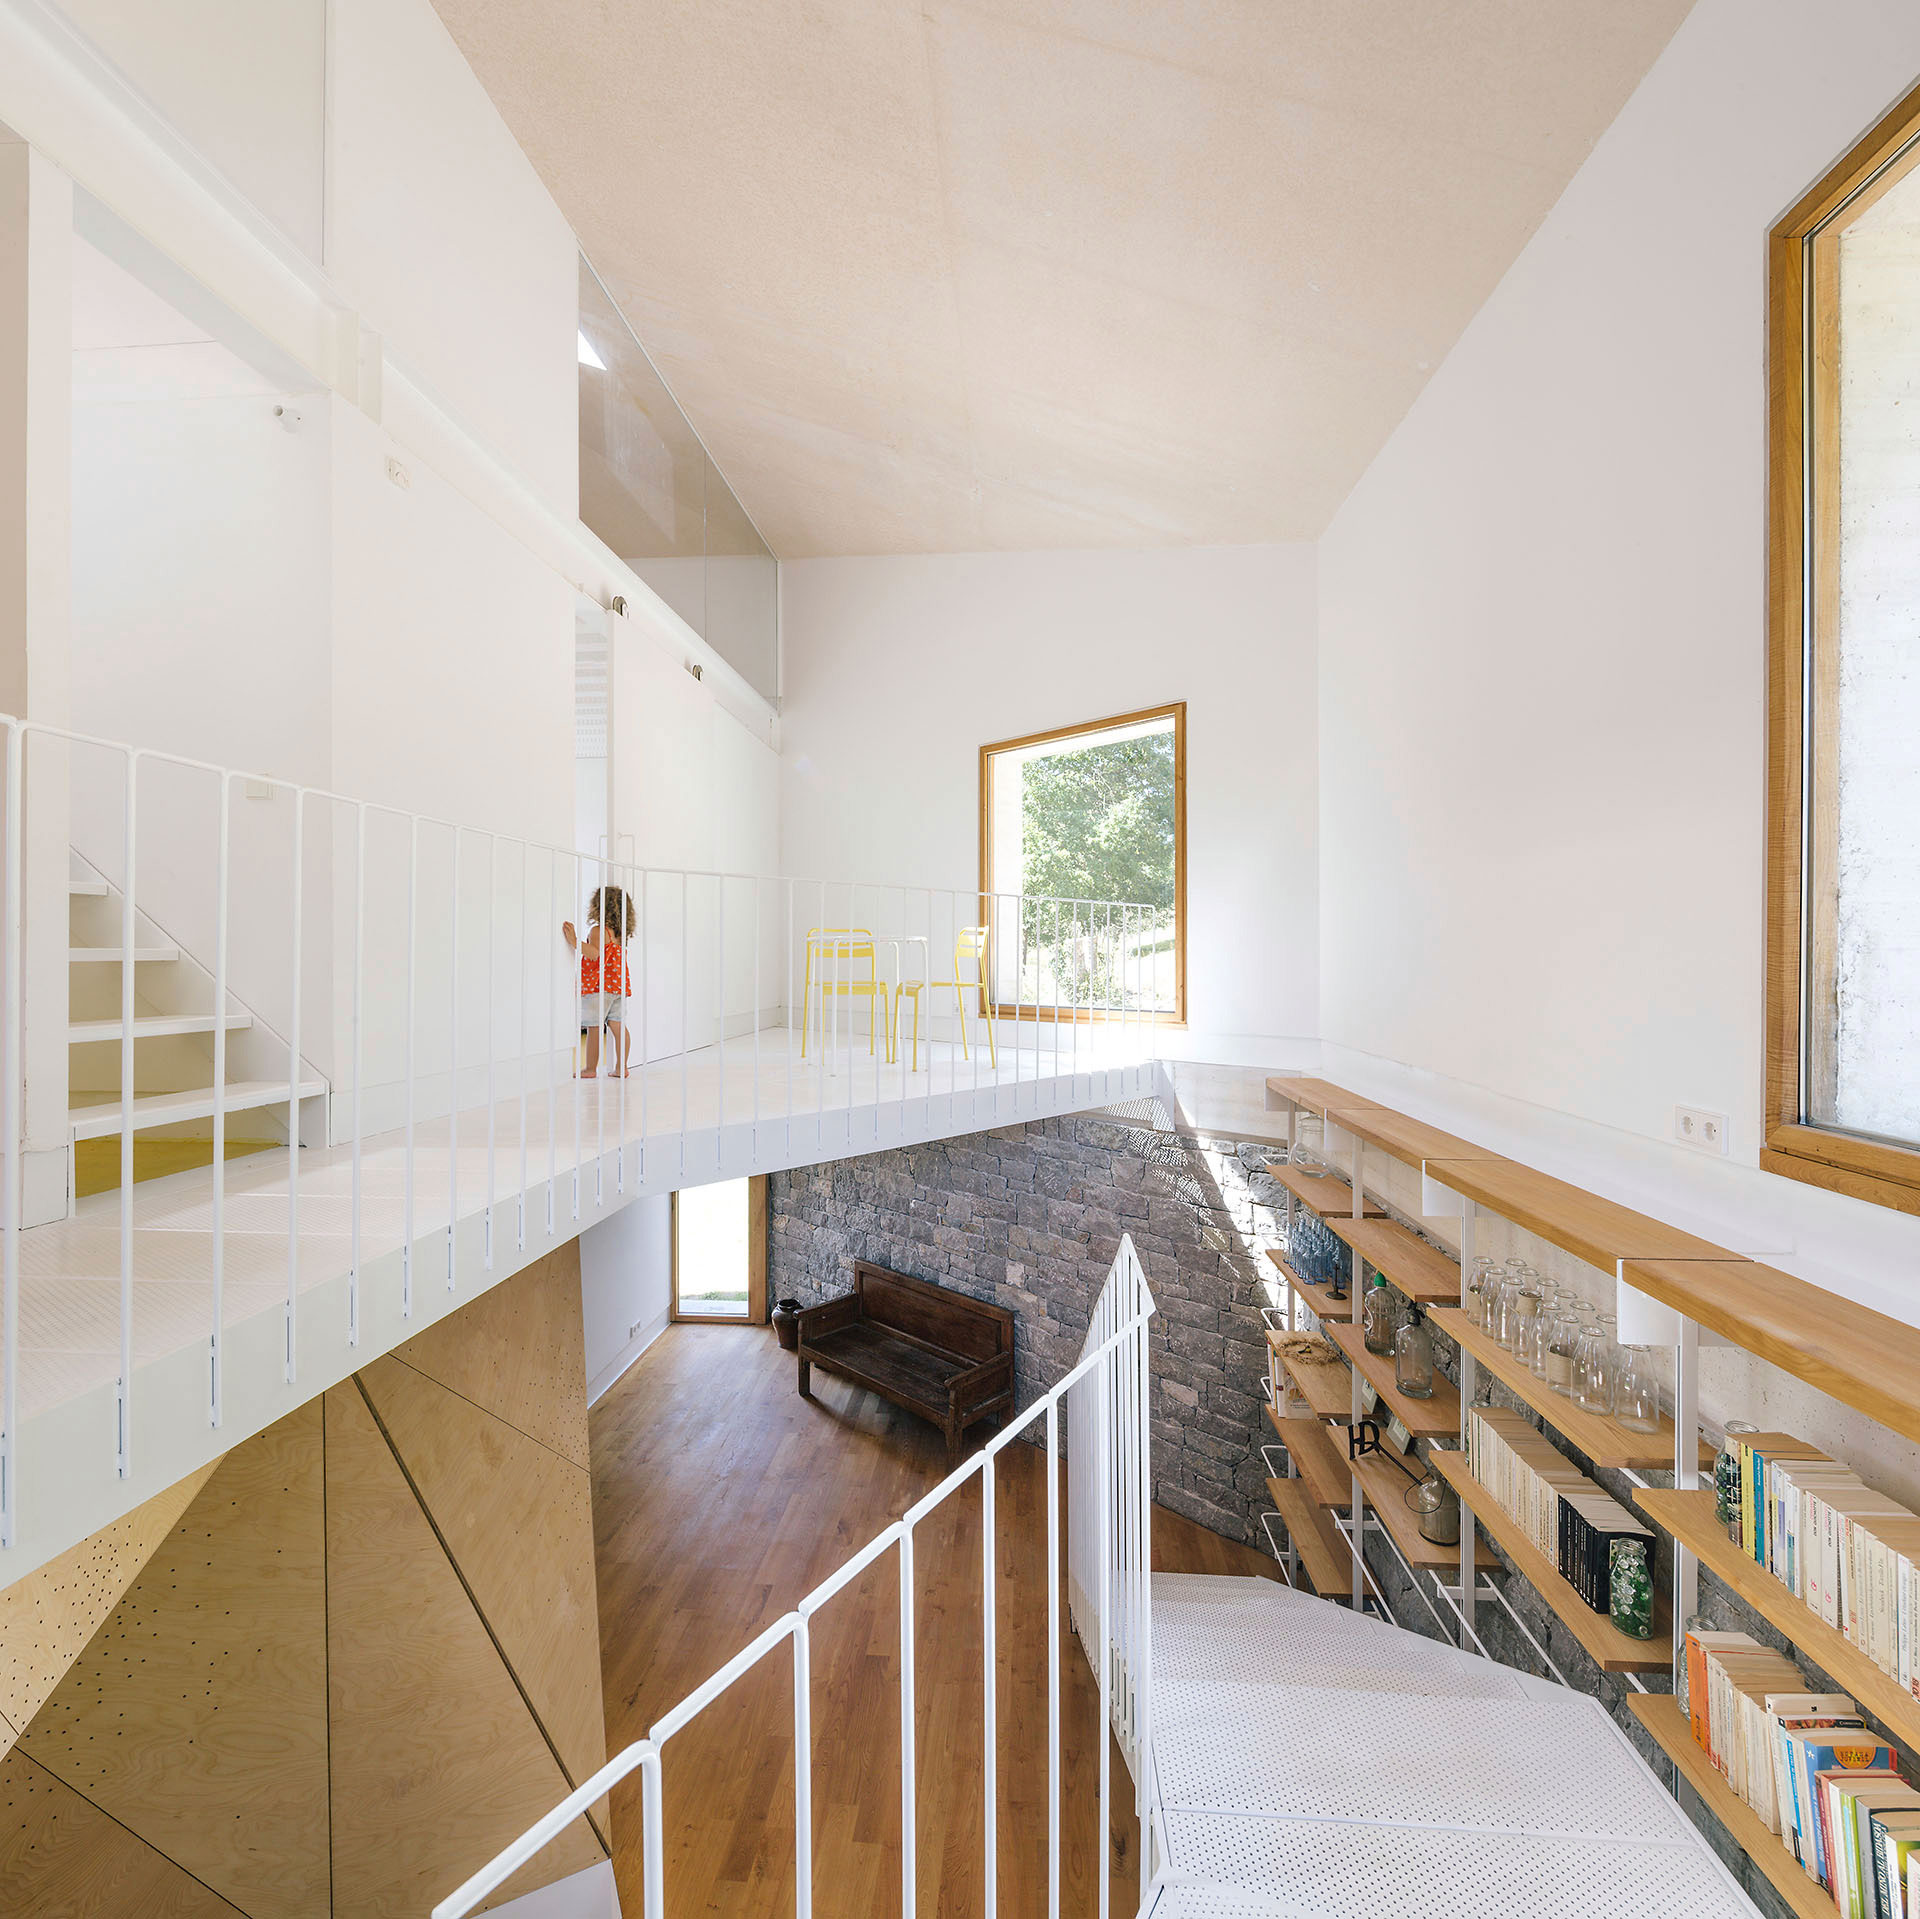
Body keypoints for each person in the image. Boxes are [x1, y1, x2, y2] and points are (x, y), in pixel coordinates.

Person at [562, 884, 635, 1076]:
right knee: (618, 1025)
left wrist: (575, 941)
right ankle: (622, 1067)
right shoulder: (619, 935)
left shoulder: (599, 931)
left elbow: (595, 954)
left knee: (594, 1027)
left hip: (599, 986)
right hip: (617, 986)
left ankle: (590, 1068)